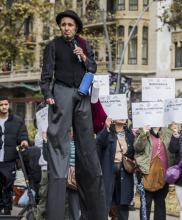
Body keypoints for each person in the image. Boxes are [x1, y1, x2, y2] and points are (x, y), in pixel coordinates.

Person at [39, 10, 107, 219]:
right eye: (63, 24)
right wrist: (48, 95)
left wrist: (84, 57)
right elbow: (46, 75)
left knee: (87, 148)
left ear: (76, 27)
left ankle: (94, 213)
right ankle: (56, 213)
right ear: (61, 27)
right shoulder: (53, 46)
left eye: (70, 24)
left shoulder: (84, 45)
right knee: (59, 145)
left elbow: (93, 68)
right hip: (61, 91)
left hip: (82, 93)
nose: (66, 27)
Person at [134, 123, 174, 220]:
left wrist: (175, 133)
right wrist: (144, 132)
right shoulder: (142, 131)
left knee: (160, 204)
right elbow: (137, 147)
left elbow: (173, 149)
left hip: (163, 175)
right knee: (146, 204)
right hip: (147, 174)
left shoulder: (167, 132)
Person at [97, 118, 135, 220]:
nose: (122, 117)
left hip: (125, 172)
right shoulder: (108, 132)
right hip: (108, 171)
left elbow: (135, 152)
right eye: (119, 114)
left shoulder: (130, 134)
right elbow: (99, 142)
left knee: (123, 203)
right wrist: (106, 127)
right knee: (105, 202)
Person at [0, 96, 29, 215]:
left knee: (8, 185)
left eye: (5, 104)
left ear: (9, 105)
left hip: (9, 159)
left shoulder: (17, 120)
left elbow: (22, 134)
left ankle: (7, 210)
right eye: (1, 105)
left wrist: (24, 141)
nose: (4, 107)